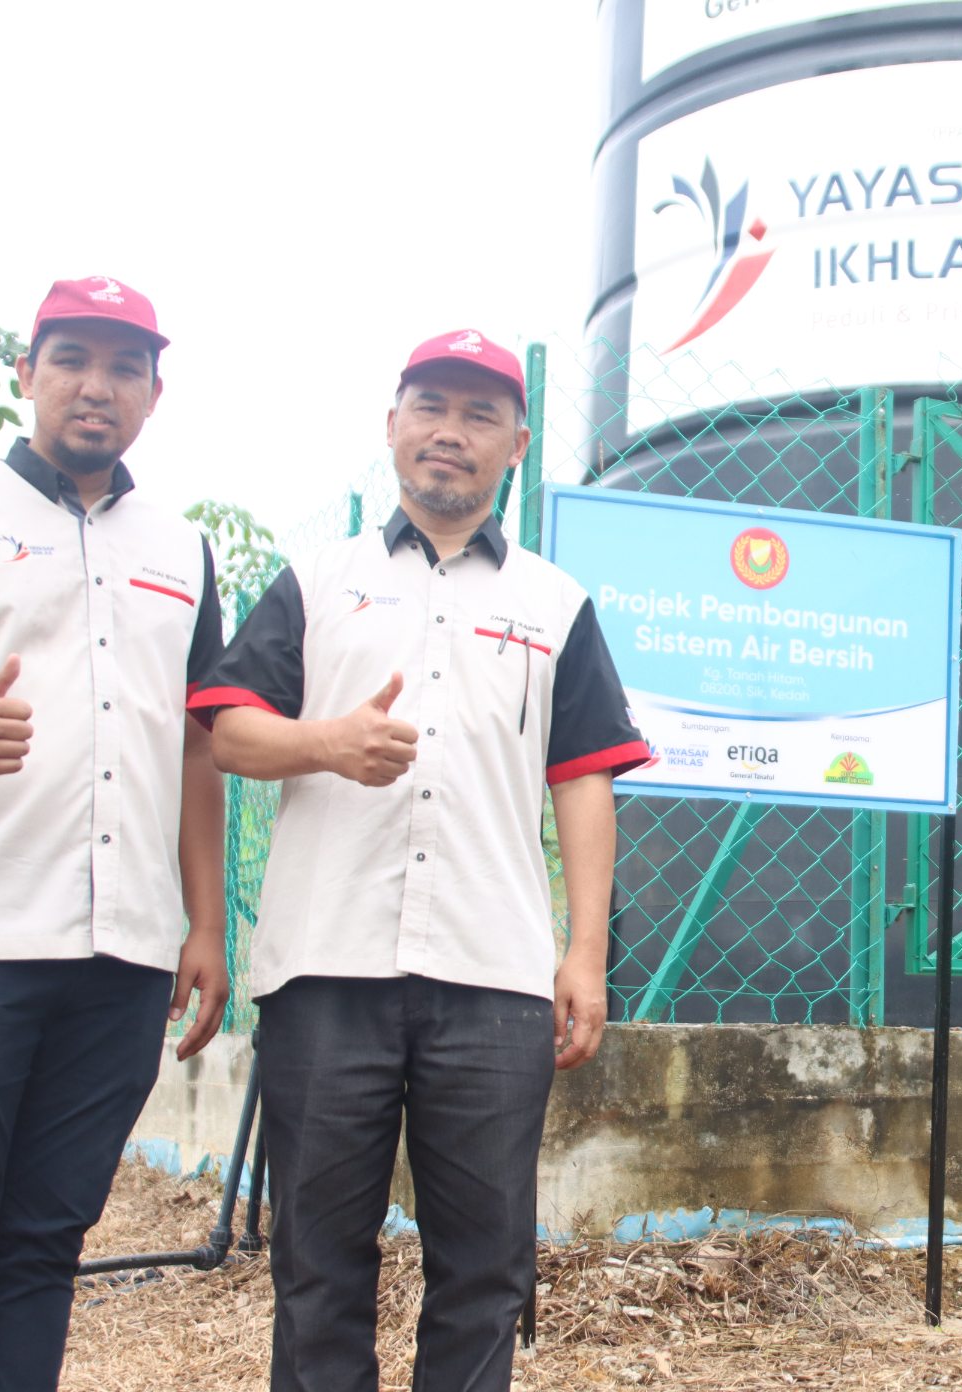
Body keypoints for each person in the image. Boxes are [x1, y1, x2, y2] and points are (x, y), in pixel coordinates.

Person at [190, 329, 647, 1392]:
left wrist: (584, 954)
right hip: (325, 967)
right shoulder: (318, 581)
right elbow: (230, 735)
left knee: (486, 1271)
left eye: (481, 415)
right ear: (392, 423)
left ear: (517, 445)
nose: (451, 432)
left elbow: (584, 778)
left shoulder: (554, 603)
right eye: (431, 406)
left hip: (493, 979)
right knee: (317, 1267)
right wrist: (327, 744)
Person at [0, 277, 229, 1392]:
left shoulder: (183, 550)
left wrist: (205, 924)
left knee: (41, 1250)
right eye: (71, 359)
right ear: (26, 373)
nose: (94, 386)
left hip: (123, 958)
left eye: (123, 368)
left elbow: (195, 750)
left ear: (155, 393)